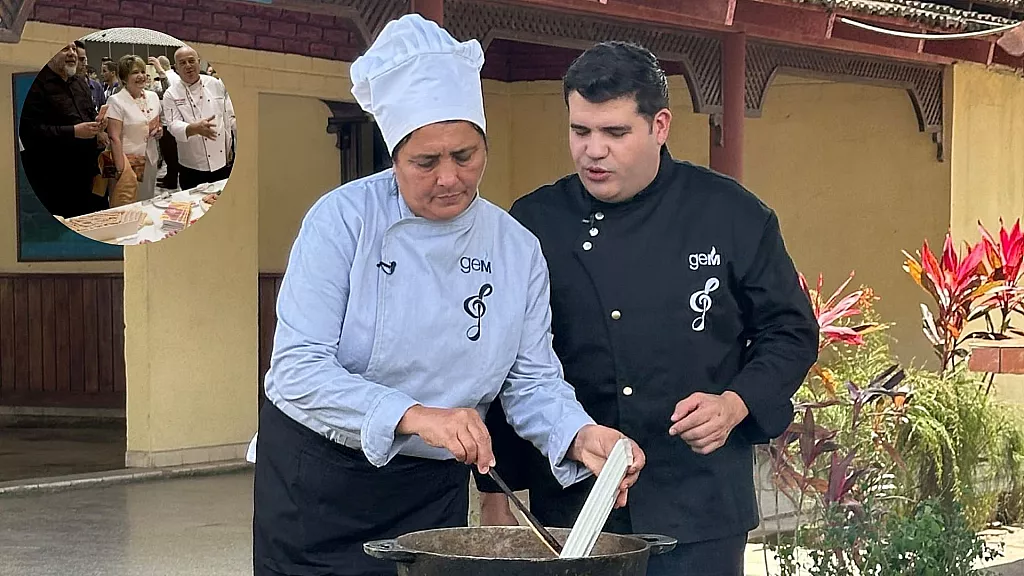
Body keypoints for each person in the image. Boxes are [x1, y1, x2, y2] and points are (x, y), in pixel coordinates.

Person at [248, 15, 646, 576]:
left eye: (465, 156)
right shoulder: (342, 222)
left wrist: (579, 435)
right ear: (393, 157)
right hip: (317, 483)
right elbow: (296, 371)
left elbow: (530, 381)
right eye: (425, 162)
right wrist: (413, 414)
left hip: (427, 489)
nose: (449, 178)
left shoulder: (515, 248)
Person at [473, 41, 820, 576]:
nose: (593, 151)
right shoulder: (536, 221)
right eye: (580, 131)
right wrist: (496, 491)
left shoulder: (730, 213)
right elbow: (512, 362)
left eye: (615, 133)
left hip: (699, 506)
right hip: (573, 507)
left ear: (660, 125)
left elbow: (791, 331)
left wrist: (736, 403)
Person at [19, 41, 108, 217]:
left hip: (87, 169)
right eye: (65, 49)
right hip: (54, 174)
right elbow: (30, 131)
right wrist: (74, 131)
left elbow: (89, 112)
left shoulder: (80, 83)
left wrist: (98, 126)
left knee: (90, 217)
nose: (72, 53)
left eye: (74, 49)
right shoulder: (35, 84)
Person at [162, 45, 235, 191]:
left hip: (221, 160)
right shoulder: (171, 94)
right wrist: (193, 128)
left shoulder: (216, 84)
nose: (188, 66)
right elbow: (172, 124)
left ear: (198, 62)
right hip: (192, 163)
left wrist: (230, 145)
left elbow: (227, 117)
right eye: (182, 63)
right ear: (176, 68)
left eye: (191, 61)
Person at [105, 54, 163, 203]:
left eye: (143, 72)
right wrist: (120, 168)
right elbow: (114, 137)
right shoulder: (116, 101)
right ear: (124, 78)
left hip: (150, 157)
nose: (141, 76)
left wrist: (159, 130)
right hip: (126, 160)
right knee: (126, 202)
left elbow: (155, 122)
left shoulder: (153, 97)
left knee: (147, 199)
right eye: (135, 72)